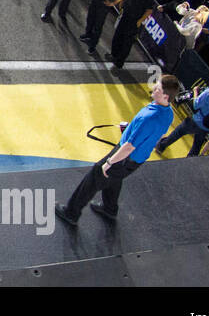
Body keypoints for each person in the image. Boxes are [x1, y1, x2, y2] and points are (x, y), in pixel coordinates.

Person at [55, 74, 180, 225]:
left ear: (165, 96)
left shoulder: (149, 117)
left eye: (158, 88)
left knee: (96, 174)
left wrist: (109, 162)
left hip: (126, 155)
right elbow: (156, 133)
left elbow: (128, 147)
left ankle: (71, 213)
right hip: (136, 159)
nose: (154, 87)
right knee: (114, 178)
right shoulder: (168, 113)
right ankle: (110, 209)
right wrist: (133, 128)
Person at [156, 68, 209, 156]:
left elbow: (196, 105)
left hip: (197, 121)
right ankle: (190, 162)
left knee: (179, 132)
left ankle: (161, 146)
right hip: (207, 126)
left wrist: (196, 91)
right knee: (196, 146)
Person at [108, 0, 155, 71]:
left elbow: (149, 10)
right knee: (118, 35)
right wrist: (121, 3)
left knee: (127, 41)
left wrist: (140, 20)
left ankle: (119, 61)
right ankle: (113, 54)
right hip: (125, 14)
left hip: (134, 20)